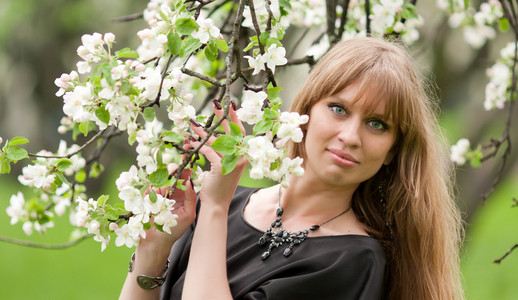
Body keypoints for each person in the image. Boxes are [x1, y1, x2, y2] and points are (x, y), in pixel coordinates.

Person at [119, 37, 464, 300]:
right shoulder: (223, 204)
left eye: (377, 124)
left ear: (392, 151)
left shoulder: (352, 261)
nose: (351, 136)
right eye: (339, 109)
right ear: (306, 112)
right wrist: (154, 249)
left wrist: (214, 210)